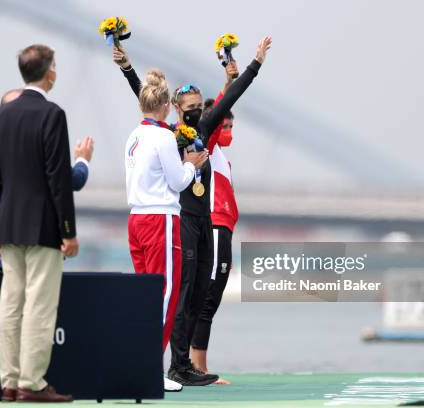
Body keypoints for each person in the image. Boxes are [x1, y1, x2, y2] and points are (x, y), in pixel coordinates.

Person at [112, 36, 272, 386]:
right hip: (180, 220)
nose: (198, 109)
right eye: (191, 105)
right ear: (176, 107)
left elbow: (231, 96)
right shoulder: (168, 134)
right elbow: (144, 94)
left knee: (200, 290)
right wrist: (127, 69)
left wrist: (254, 66)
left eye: (201, 104)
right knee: (180, 294)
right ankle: (173, 363)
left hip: (204, 221)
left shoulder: (204, 128)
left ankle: (183, 364)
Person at [0, 44, 78, 403]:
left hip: (9, 225)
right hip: (42, 225)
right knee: (39, 306)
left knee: (10, 306)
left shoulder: (2, 116)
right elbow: (58, 177)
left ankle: (9, 382)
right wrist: (68, 231)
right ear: (49, 72)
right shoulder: (52, 114)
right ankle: (32, 382)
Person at [124, 69, 208, 392]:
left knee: (146, 295)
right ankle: (149, 368)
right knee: (166, 296)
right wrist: (192, 164)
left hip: (136, 220)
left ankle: (142, 363)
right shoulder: (162, 138)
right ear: (165, 106)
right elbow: (179, 182)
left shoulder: (133, 135)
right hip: (160, 219)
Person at [0, 89, 94, 272]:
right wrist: (82, 160)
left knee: (7, 300)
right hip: (38, 245)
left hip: (0, 249)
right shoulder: (37, 149)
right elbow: (74, 181)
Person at [191, 92, 238, 385]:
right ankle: (199, 367)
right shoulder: (206, 146)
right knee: (207, 299)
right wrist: (230, 82)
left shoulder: (222, 157)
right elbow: (215, 113)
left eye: (232, 128)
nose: (229, 132)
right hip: (216, 228)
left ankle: (199, 365)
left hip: (225, 229)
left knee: (212, 298)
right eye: (225, 126)